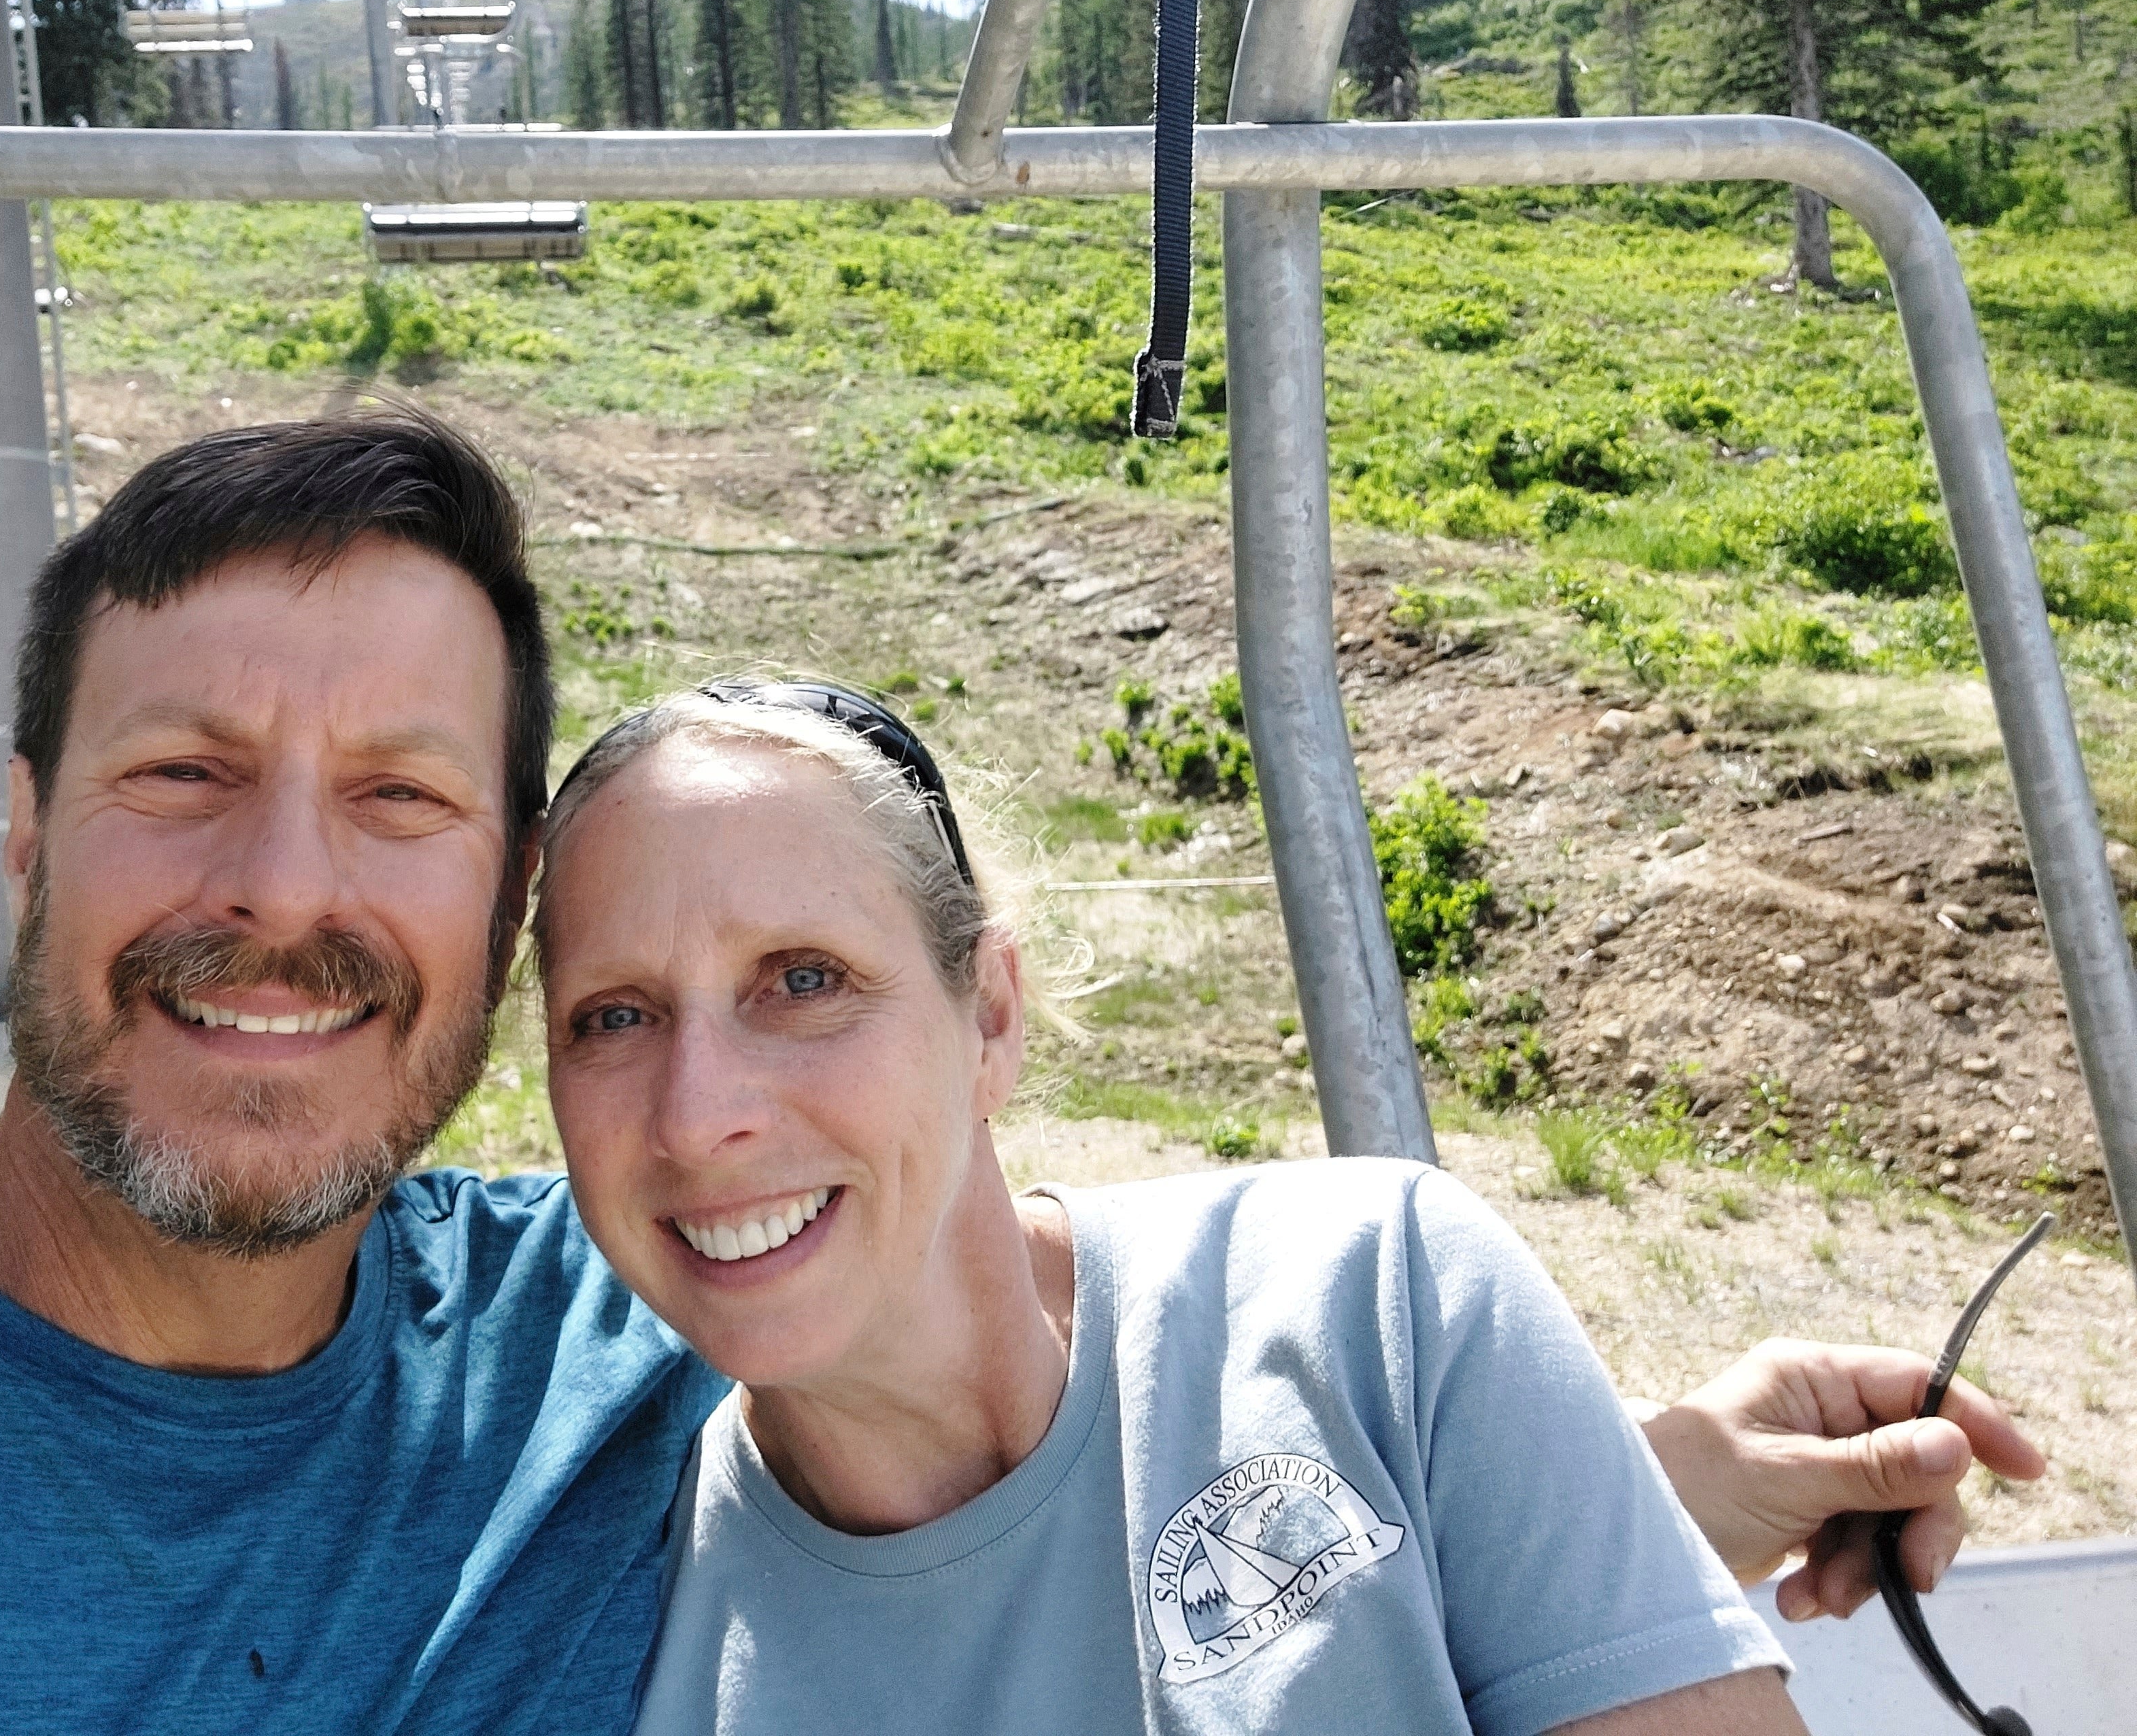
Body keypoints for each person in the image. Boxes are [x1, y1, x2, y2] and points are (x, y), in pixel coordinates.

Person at [0, 409, 2038, 1729]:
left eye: (411, 804)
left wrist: (1606, 1487)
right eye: (182, 775)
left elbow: (998, 1358)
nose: (290, 892)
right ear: (19, 837)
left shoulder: (590, 1349)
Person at [531, 681, 2040, 1733]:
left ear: (989, 1014)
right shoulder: (607, 1623)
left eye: (804, 981)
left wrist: (1602, 1507)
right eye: (610, 1017)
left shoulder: (1370, 1295)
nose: (695, 1110)